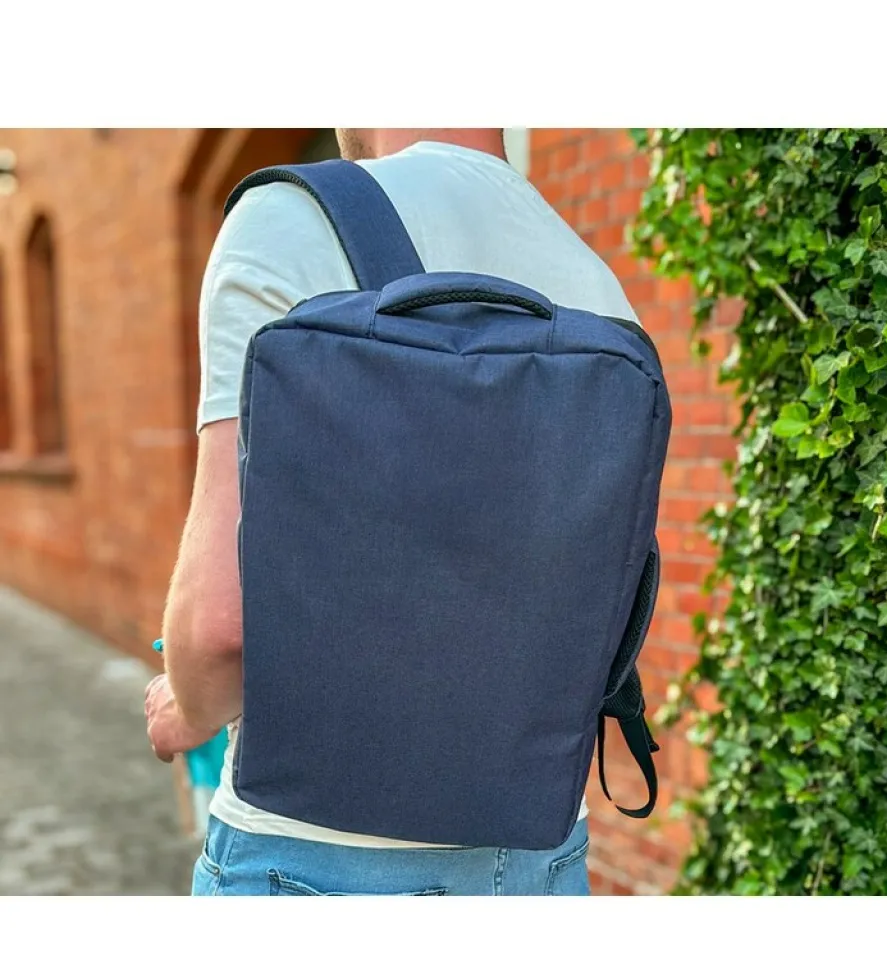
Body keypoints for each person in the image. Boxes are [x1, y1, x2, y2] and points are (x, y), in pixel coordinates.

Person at [144, 128, 639, 896]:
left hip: (319, 861)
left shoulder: (293, 221)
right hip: (544, 851)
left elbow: (220, 628)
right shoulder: (593, 278)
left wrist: (187, 706)